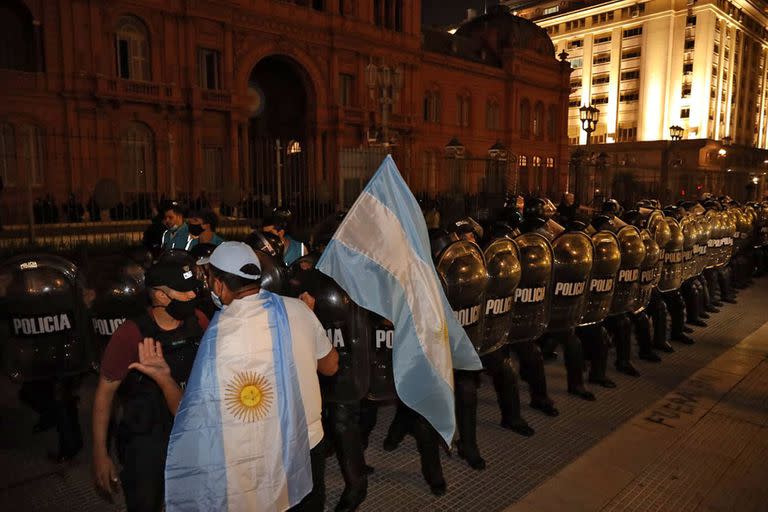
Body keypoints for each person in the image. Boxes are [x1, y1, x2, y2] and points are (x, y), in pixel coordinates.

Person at [132, 242, 339, 511]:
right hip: (307, 447)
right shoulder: (298, 310)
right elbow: (331, 366)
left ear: (218, 285)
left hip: (259, 460)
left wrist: (163, 378)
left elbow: (192, 417)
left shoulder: (218, 339)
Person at [92, 261, 207, 511]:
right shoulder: (130, 334)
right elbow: (104, 394)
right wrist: (100, 454)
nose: (192, 296)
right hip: (145, 440)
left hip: (191, 432)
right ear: (159, 295)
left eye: (193, 289)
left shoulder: (198, 320)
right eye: (183, 291)